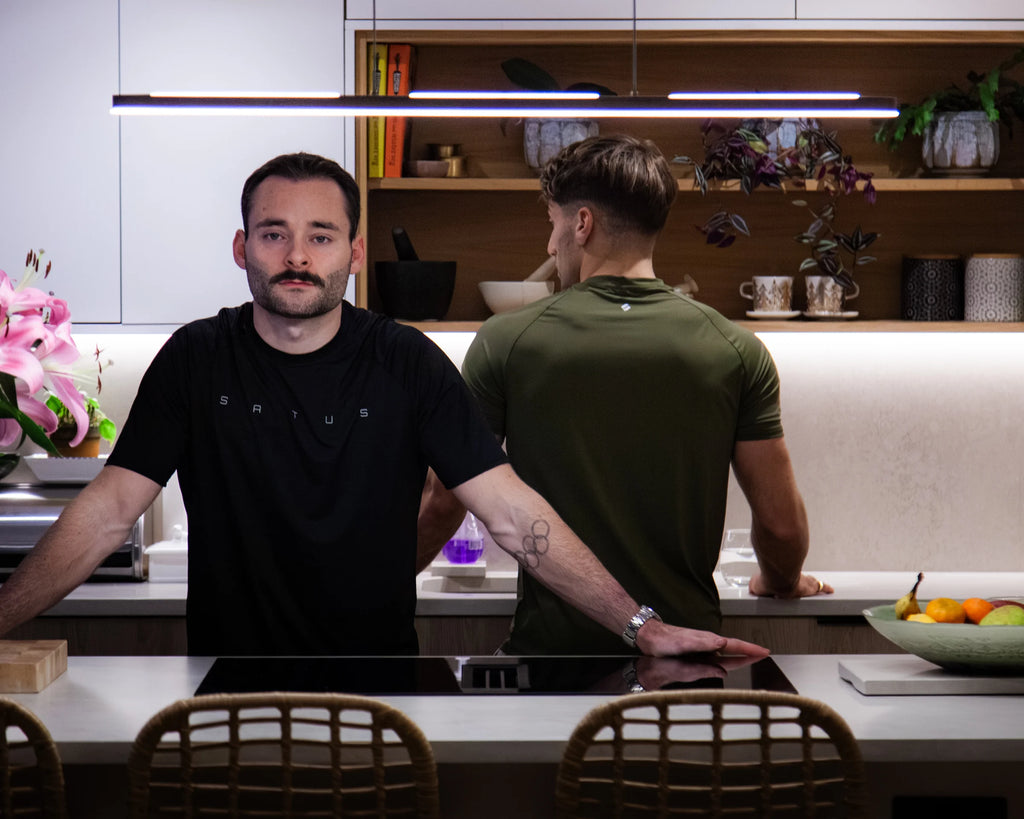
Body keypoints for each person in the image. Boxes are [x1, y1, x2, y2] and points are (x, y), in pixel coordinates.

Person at [0, 151, 770, 660]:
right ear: (242, 247)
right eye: (273, 234)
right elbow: (108, 511)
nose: (297, 256)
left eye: (321, 236)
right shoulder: (195, 360)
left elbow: (512, 513)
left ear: (354, 253)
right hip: (226, 691)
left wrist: (642, 627)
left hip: (379, 698)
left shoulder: (406, 362)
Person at [456, 134, 829, 656]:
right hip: (690, 656)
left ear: (582, 224)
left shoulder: (507, 341)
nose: (550, 246)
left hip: (554, 660)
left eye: (552, 224)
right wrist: (782, 581)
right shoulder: (735, 349)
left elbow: (443, 499)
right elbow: (781, 527)